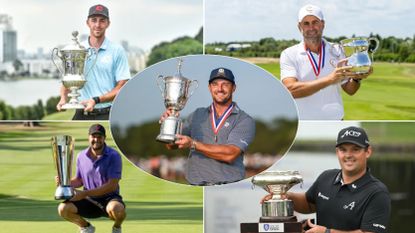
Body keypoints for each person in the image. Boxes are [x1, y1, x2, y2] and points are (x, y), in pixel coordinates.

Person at [262, 126, 391, 233]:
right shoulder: (327, 177)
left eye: (355, 150)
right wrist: (285, 196)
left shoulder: (377, 192)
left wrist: (326, 232)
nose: (348, 155)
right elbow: (308, 204)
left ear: (368, 152)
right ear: (337, 152)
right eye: (343, 150)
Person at [161, 67, 256, 185]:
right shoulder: (197, 115)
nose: (220, 89)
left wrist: (193, 144)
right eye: (215, 84)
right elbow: (172, 145)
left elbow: (230, 154)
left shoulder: (244, 120)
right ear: (209, 88)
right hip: (195, 186)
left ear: (234, 88)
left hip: (227, 186)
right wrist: (170, 124)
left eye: (225, 84)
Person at [280, 4, 373, 120]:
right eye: (306, 23)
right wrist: (330, 79)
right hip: (303, 124)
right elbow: (290, 90)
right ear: (299, 27)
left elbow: (350, 90)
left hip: (335, 121)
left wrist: (357, 77)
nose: (311, 27)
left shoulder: (338, 50)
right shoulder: (289, 54)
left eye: (315, 22)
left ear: (322, 24)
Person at [57, 4, 131, 120]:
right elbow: (69, 78)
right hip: (81, 113)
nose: (97, 25)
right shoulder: (78, 49)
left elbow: (122, 87)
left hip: (107, 114)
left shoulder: (117, 50)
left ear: (108, 24)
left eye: (102, 21)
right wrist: (63, 97)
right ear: (88, 23)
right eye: (94, 20)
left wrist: (96, 100)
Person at [56, 124, 125, 233]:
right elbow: (79, 180)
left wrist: (84, 193)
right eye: (93, 136)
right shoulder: (81, 156)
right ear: (89, 137)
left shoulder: (114, 156)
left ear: (104, 138)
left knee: (117, 209)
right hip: (88, 200)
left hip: (109, 198)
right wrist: (65, 182)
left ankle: (117, 227)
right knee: (63, 209)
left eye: (99, 136)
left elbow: (112, 185)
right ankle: (86, 227)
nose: (96, 139)